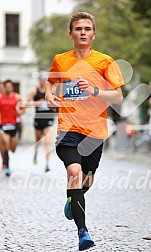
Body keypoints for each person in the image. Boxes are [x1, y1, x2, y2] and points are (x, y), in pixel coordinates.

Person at [45, 12, 124, 251]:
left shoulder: (105, 62)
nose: (82, 32)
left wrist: (94, 91)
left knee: (86, 181)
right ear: (71, 34)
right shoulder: (61, 60)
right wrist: (49, 95)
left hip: (94, 131)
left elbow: (118, 97)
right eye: (78, 28)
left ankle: (73, 199)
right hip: (67, 129)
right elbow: (50, 82)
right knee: (74, 172)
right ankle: (83, 233)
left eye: (87, 29)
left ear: (93, 34)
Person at [26, 72, 55, 172]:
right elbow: (26, 103)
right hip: (38, 119)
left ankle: (47, 164)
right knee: (38, 140)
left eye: (45, 79)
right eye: (42, 79)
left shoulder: (51, 91)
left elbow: (57, 104)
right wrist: (36, 103)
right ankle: (36, 152)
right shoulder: (35, 91)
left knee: (47, 142)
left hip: (49, 119)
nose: (43, 81)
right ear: (39, 80)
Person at [0, 80, 25, 176]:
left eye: (10, 86)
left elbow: (23, 108)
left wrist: (21, 112)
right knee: (5, 145)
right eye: (6, 86)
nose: (8, 88)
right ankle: (7, 167)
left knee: (13, 149)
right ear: (4, 87)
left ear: (12, 87)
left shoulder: (17, 97)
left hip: (14, 125)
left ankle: (6, 161)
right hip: (3, 125)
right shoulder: (0, 97)